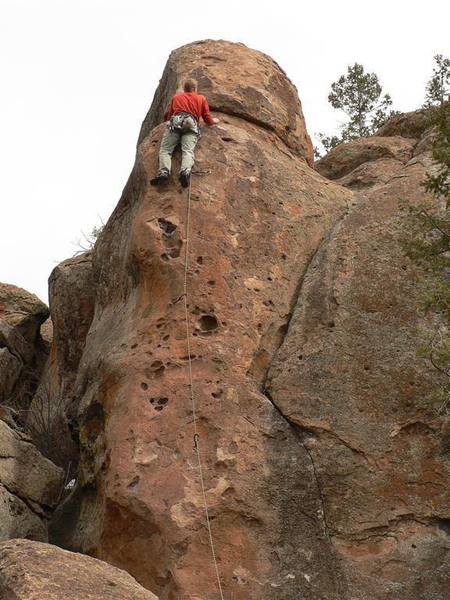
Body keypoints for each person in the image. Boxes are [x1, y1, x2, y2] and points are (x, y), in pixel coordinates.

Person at [150, 79, 219, 188]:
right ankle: (185, 172)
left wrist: (168, 123)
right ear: (194, 89)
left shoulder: (176, 97)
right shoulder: (201, 98)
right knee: (188, 151)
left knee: (166, 150)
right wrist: (213, 121)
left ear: (185, 89)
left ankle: (164, 172)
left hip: (177, 122)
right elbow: (206, 117)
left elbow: (169, 116)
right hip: (191, 124)